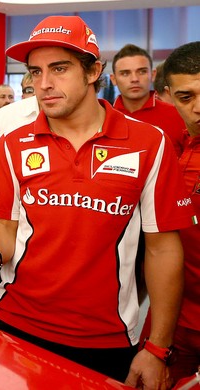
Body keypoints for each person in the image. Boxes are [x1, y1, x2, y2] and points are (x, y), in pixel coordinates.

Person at [0, 15, 195, 386]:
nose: (44, 84)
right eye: (35, 72)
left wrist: (158, 347)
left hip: (106, 338)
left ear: (93, 71)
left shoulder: (148, 143)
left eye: (60, 68)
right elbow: (5, 227)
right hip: (14, 322)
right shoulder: (13, 143)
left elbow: (163, 249)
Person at [162, 41, 200, 386]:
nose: (199, 107)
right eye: (186, 97)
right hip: (176, 318)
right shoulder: (179, 150)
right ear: (169, 96)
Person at [110, 43, 186, 156]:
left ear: (153, 74)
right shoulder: (104, 118)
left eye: (142, 72)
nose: (134, 79)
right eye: (125, 73)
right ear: (113, 79)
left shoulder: (178, 115)